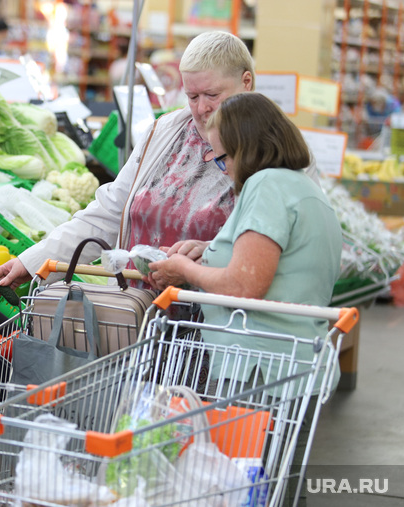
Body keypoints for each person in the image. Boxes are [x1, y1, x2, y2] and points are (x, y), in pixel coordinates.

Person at [0, 31, 318, 291]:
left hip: (213, 330)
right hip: (137, 317)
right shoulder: (164, 132)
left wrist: (207, 257)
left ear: (246, 82)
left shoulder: (274, 150)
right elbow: (108, 213)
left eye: (213, 95)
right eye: (192, 96)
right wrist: (33, 260)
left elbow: (284, 251)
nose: (202, 108)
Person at [148, 92, 342, 507]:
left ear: (248, 148)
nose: (225, 170)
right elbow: (276, 265)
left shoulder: (266, 184)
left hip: (259, 375)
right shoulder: (303, 189)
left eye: (224, 158)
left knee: (243, 491)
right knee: (276, 490)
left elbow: (243, 286)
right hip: (290, 368)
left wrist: (182, 272)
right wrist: (210, 249)